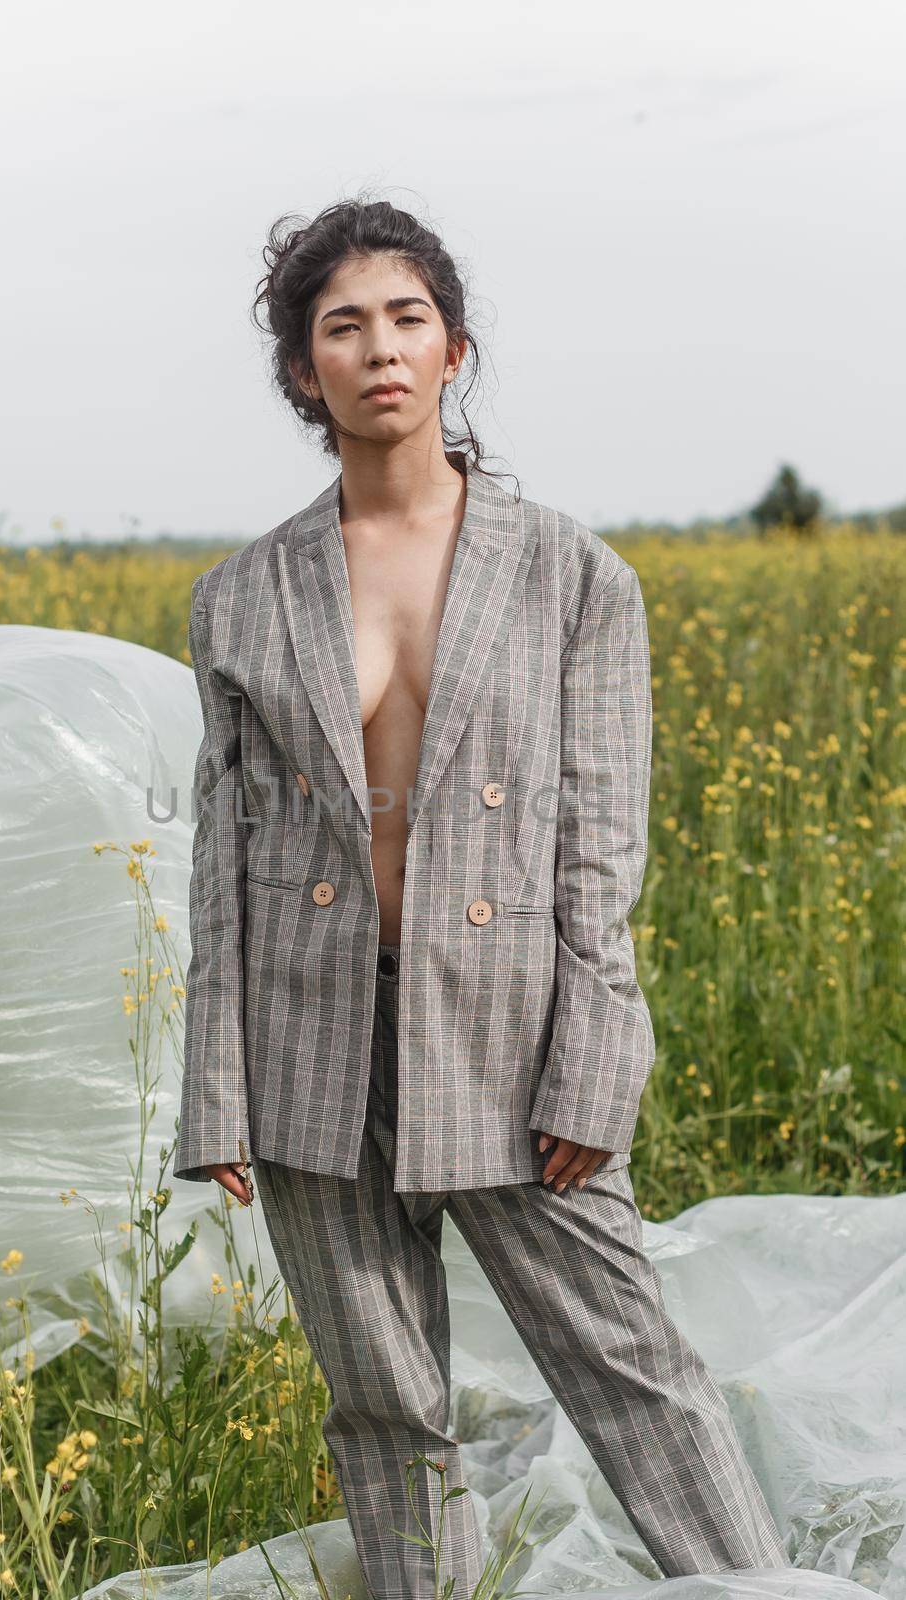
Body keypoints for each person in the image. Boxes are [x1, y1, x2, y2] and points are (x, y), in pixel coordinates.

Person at [173, 197, 788, 1599]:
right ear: (300, 371)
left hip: (511, 1042)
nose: (378, 348)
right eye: (342, 326)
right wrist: (219, 1091)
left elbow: (599, 846)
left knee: (633, 1371)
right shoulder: (241, 597)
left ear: (453, 350)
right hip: (306, 1045)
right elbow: (221, 862)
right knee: (384, 1405)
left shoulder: (574, 575)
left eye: (406, 319)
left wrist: (598, 1057)